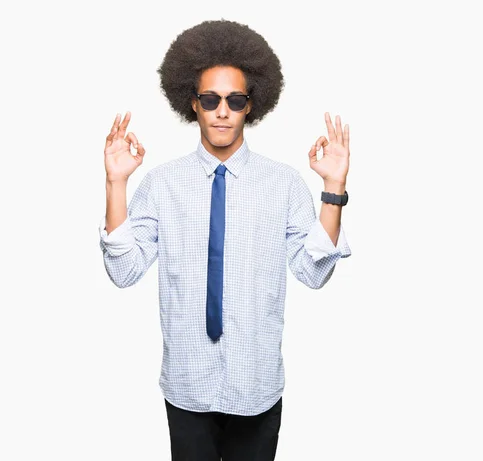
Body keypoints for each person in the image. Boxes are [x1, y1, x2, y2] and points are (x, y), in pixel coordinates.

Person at [98, 19, 351, 461]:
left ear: (251, 106)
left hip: (256, 386)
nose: (222, 111)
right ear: (191, 103)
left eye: (235, 100)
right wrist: (115, 184)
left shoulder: (284, 185)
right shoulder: (161, 184)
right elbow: (124, 270)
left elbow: (313, 272)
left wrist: (332, 189)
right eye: (210, 99)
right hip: (187, 385)